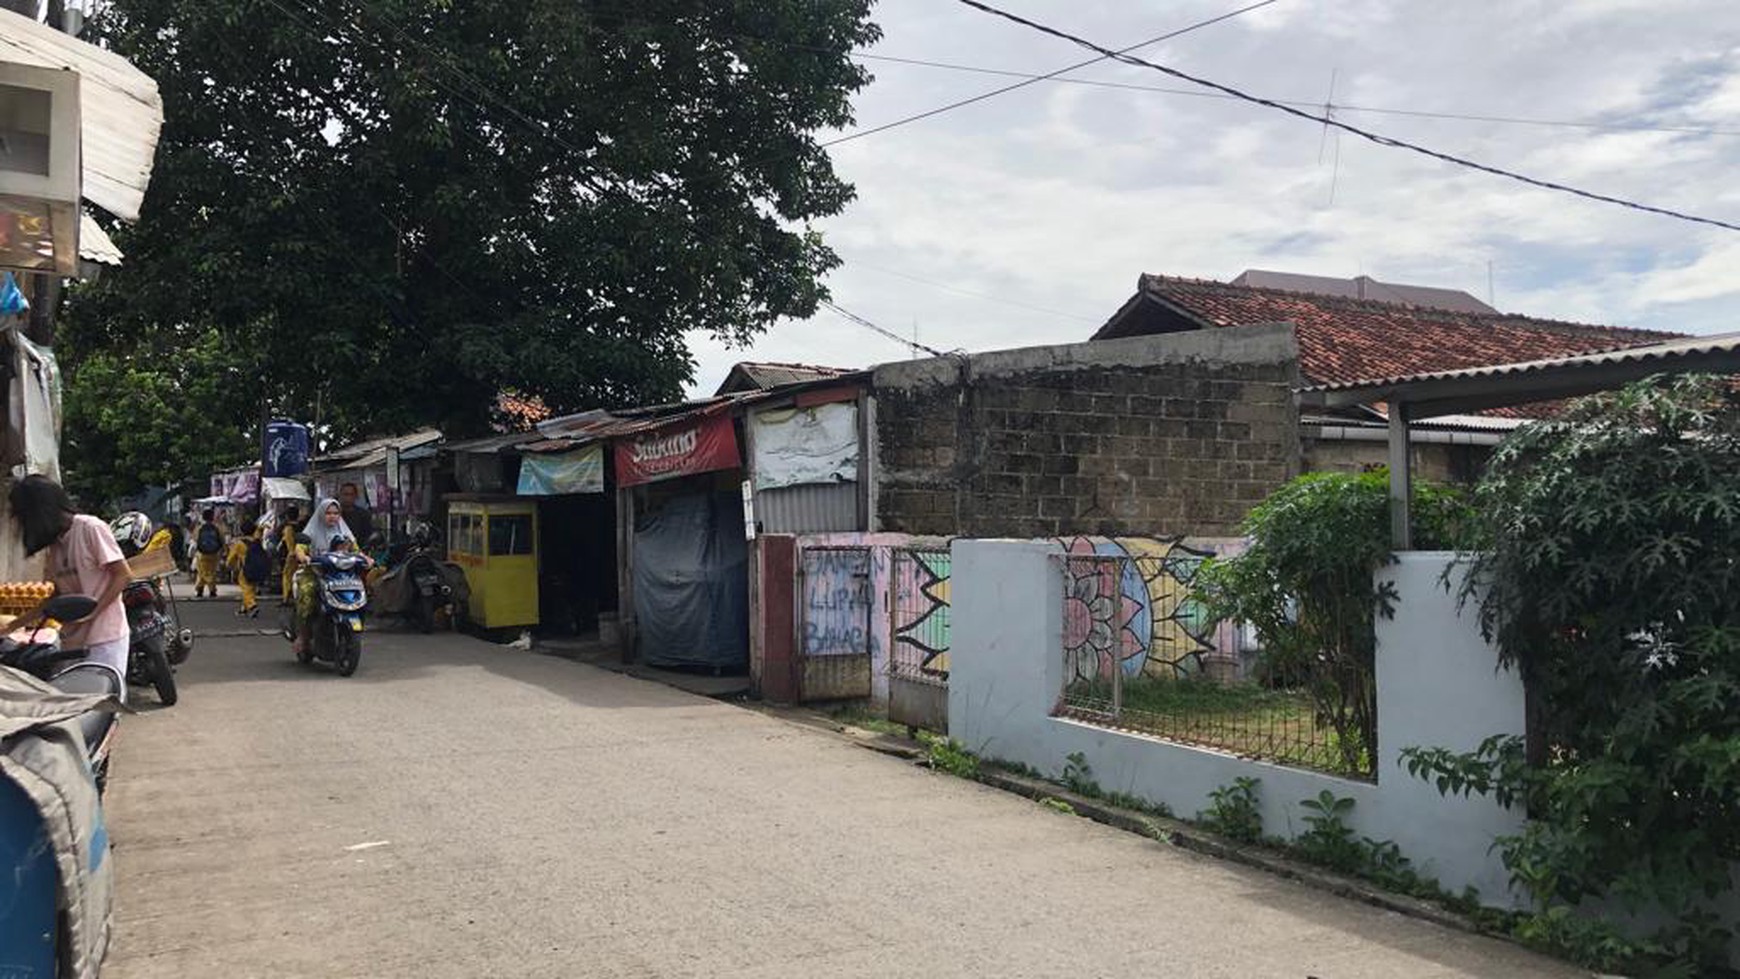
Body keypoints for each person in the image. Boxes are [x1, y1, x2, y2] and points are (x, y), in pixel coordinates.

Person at [9, 475, 132, 693]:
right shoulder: (55, 545)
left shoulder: (90, 529)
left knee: (101, 705)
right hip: (71, 640)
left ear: (39, 511)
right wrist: (14, 625)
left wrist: (93, 612)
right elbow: (55, 596)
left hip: (104, 639)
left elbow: (122, 575)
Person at [292, 499, 371, 656]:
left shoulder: (344, 534)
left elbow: (356, 551)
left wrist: (367, 559)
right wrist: (304, 557)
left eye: (335, 513)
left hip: (342, 576)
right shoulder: (311, 531)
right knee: (308, 593)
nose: (332, 517)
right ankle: (303, 636)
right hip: (315, 573)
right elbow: (299, 549)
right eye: (328, 513)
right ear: (321, 514)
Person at [227, 518, 269, 618]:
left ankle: (252, 606)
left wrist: (230, 566)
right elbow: (259, 532)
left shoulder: (239, 544)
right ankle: (244, 608)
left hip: (245, 569)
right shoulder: (256, 541)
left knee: (246, 588)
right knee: (251, 589)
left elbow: (231, 558)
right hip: (257, 568)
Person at [193, 508, 225, 598]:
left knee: (201, 572)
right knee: (212, 572)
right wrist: (222, 551)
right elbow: (222, 540)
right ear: (212, 517)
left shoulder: (199, 528)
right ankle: (212, 590)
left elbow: (195, 540)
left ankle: (200, 589)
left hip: (201, 554)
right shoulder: (217, 528)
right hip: (214, 554)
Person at [278, 504, 302, 604]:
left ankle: (286, 598)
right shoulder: (301, 526)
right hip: (300, 554)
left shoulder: (288, 528)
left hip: (291, 555)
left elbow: (288, 541)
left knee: (287, 576)